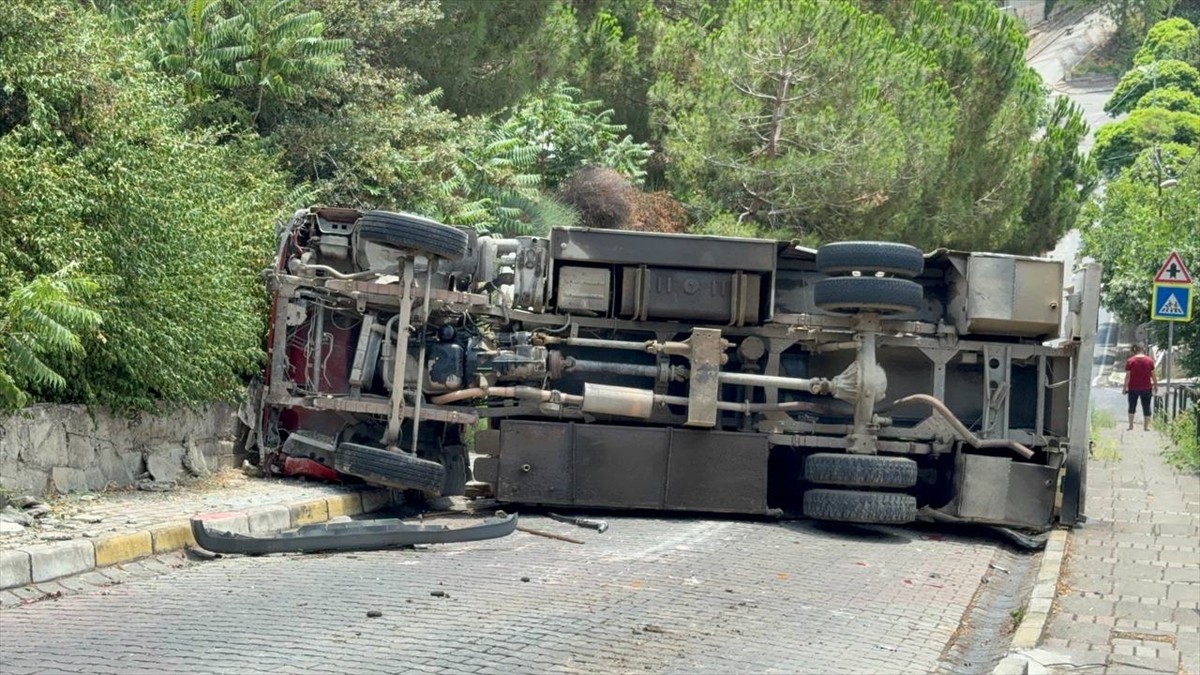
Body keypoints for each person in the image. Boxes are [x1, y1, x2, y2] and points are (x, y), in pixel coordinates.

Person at [1122, 344, 1157, 431]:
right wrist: (1155, 385)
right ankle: (1146, 427)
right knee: (1146, 406)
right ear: (1143, 350)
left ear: (1134, 351)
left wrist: (1124, 388)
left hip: (1133, 388)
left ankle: (1130, 426)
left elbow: (1128, 376)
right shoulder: (1149, 361)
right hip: (1146, 387)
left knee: (1132, 406)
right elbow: (1153, 375)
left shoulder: (1130, 361)